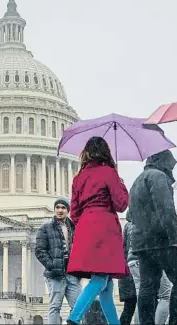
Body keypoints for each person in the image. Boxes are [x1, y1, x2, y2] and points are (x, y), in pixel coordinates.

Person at [64, 137, 129, 325]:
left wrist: (87, 222)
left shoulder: (78, 178)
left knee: (107, 287)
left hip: (85, 228)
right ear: (105, 152)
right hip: (105, 227)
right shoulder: (109, 173)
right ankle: (74, 319)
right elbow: (121, 204)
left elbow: (74, 212)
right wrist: (121, 184)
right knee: (100, 278)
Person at [127, 149, 177, 325]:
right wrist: (175, 239)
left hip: (141, 243)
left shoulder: (137, 181)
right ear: (164, 161)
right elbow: (166, 210)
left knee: (148, 287)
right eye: (171, 165)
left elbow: (129, 216)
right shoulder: (158, 177)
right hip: (162, 240)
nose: (172, 169)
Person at [35, 197, 81, 325]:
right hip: (55, 274)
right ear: (55, 209)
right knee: (55, 306)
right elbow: (39, 251)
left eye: (63, 208)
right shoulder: (45, 227)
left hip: (72, 273)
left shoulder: (74, 227)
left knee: (78, 306)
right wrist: (52, 265)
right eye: (58, 207)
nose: (60, 210)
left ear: (68, 210)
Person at [124, 218, 173, 325]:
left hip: (132, 259)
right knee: (166, 295)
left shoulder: (129, 222)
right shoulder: (152, 211)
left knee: (141, 296)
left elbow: (125, 245)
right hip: (148, 255)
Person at [118, 222, 137, 325]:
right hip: (133, 273)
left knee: (129, 308)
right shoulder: (134, 224)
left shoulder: (127, 226)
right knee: (144, 306)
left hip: (127, 274)